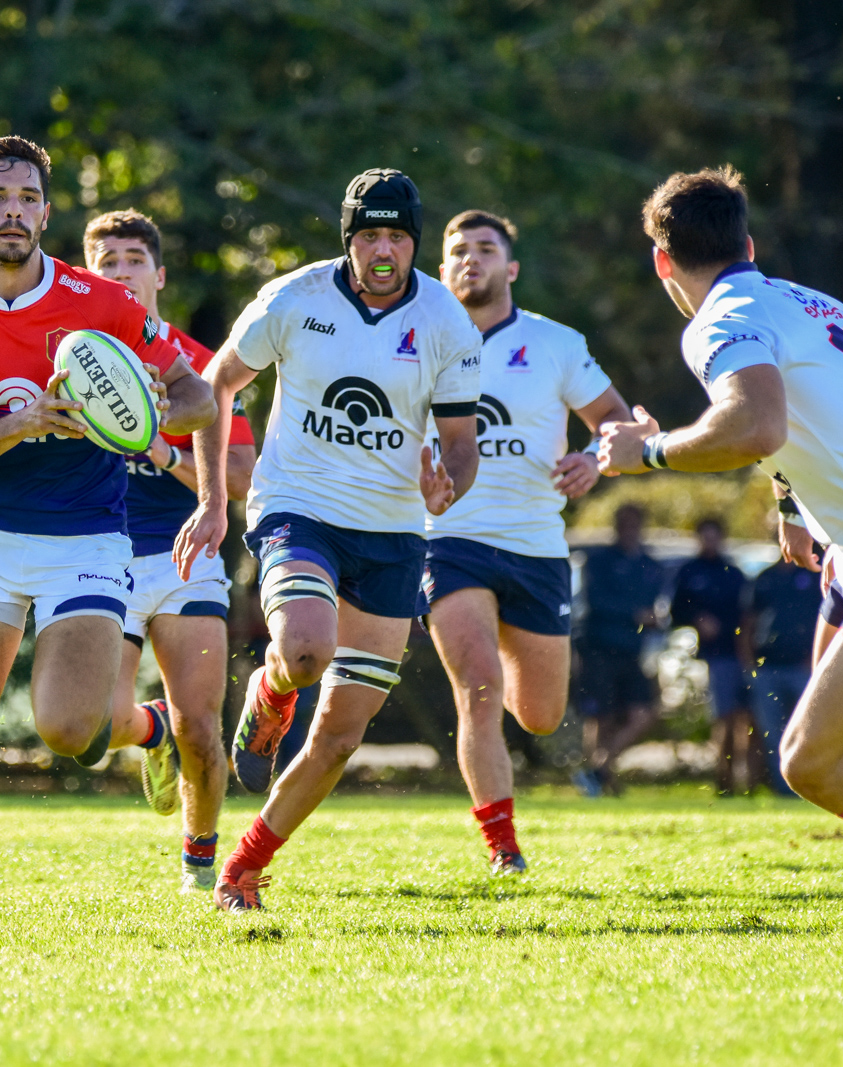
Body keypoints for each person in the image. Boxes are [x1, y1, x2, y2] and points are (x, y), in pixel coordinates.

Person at [0, 137, 215, 935]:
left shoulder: (102, 304)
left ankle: (158, 729)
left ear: (46, 211)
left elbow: (197, 397)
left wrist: (144, 416)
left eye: (29, 198)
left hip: (86, 540)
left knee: (70, 730)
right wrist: (21, 421)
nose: (14, 212)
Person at [175, 168, 482, 912]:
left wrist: (449, 485)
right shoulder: (295, 297)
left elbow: (460, 446)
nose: (383, 251)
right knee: (307, 650)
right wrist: (215, 501)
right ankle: (276, 685)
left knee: (342, 736)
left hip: (393, 534)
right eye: (369, 235)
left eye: (398, 237)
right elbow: (217, 385)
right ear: (349, 239)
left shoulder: (446, 321)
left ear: (414, 243)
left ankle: (243, 866)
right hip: (297, 510)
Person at [598, 165, 843, 831]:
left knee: (812, 763)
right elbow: (813, 412)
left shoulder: (719, 319)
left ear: (663, 262)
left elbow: (755, 425)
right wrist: (791, 505)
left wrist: (647, 453)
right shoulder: (812, 301)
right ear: (749, 247)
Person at [421, 210, 632, 873]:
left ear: (511, 268)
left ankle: (515, 677)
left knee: (540, 715)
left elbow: (617, 423)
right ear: (442, 268)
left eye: (486, 249)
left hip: (538, 545)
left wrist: (596, 461)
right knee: (478, 686)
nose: (471, 260)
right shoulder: (413, 341)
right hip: (448, 539)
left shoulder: (556, 343)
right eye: (458, 250)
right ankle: (503, 848)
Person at [80, 209, 257, 894]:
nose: (121, 271)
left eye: (132, 259)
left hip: (185, 558)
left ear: (159, 274)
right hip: (98, 559)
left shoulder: (199, 368)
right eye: (106, 261)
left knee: (202, 725)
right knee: (93, 724)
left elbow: (241, 477)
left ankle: (199, 864)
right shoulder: (63, 360)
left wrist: (162, 449)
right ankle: (150, 732)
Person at [571, 503, 664, 795]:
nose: (629, 530)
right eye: (623, 524)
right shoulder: (598, 561)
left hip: (632, 651)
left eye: (634, 524)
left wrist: (652, 620)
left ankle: (597, 771)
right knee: (601, 717)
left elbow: (654, 607)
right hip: (598, 648)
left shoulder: (650, 565)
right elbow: (595, 601)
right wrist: (634, 614)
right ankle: (600, 782)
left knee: (643, 713)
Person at [670, 518, 752, 794]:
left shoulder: (734, 573)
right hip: (716, 656)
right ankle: (724, 779)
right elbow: (675, 610)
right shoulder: (689, 571)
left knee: (747, 719)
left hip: (743, 653)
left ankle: (752, 780)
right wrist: (697, 619)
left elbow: (748, 613)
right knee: (724, 717)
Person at [744, 535, 822, 796]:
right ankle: (785, 791)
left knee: (810, 729)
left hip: (804, 668)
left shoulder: (813, 576)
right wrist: (749, 665)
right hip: (769, 667)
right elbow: (748, 623)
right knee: (773, 732)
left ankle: (812, 788)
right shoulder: (765, 578)